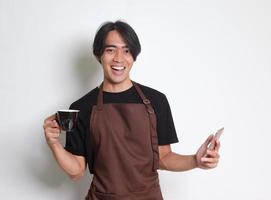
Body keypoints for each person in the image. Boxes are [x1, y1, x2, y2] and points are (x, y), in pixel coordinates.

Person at [43, 20, 221, 200]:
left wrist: (195, 161)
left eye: (126, 50)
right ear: (99, 55)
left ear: (134, 56)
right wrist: (54, 143)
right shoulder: (81, 108)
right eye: (110, 50)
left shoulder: (156, 101)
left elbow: (163, 157)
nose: (119, 58)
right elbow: (76, 171)